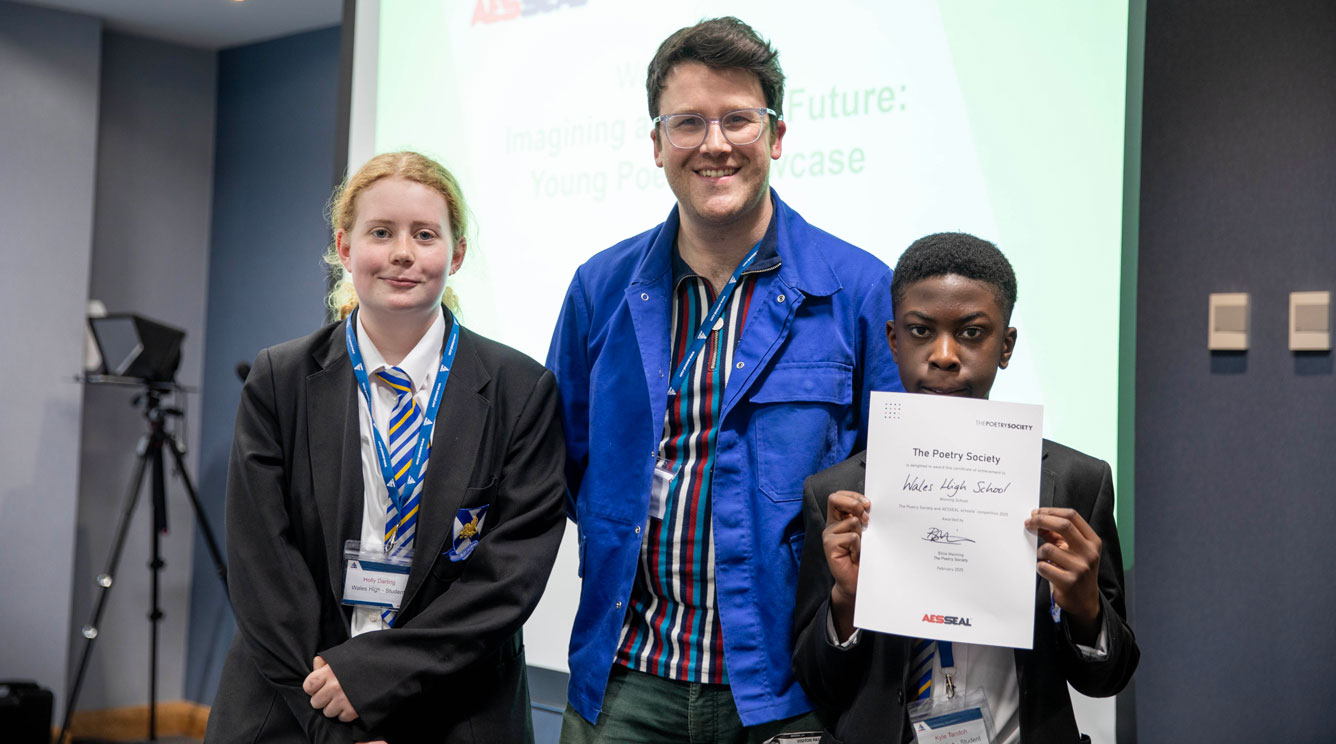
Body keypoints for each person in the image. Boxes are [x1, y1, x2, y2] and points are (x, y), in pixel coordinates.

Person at [547, 17, 901, 743]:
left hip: (788, 686)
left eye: (738, 119)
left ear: (775, 136)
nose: (714, 144)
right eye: (688, 123)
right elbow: (566, 464)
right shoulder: (600, 289)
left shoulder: (858, 291)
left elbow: (894, 480)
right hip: (626, 678)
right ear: (656, 145)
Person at [206, 151, 566, 744]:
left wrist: (371, 678)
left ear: (457, 254)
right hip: (295, 701)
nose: (403, 252)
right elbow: (260, 564)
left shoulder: (520, 390)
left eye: (425, 235)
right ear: (345, 249)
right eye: (381, 233)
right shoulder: (280, 379)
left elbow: (509, 578)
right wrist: (330, 712)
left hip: (455, 708)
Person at [792, 232, 1139, 743]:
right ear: (893, 340)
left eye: (973, 333)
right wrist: (846, 601)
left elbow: (1107, 677)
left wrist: (1086, 607)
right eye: (920, 331)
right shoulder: (839, 494)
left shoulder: (1076, 484)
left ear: (1006, 346)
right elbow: (819, 685)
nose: (945, 355)